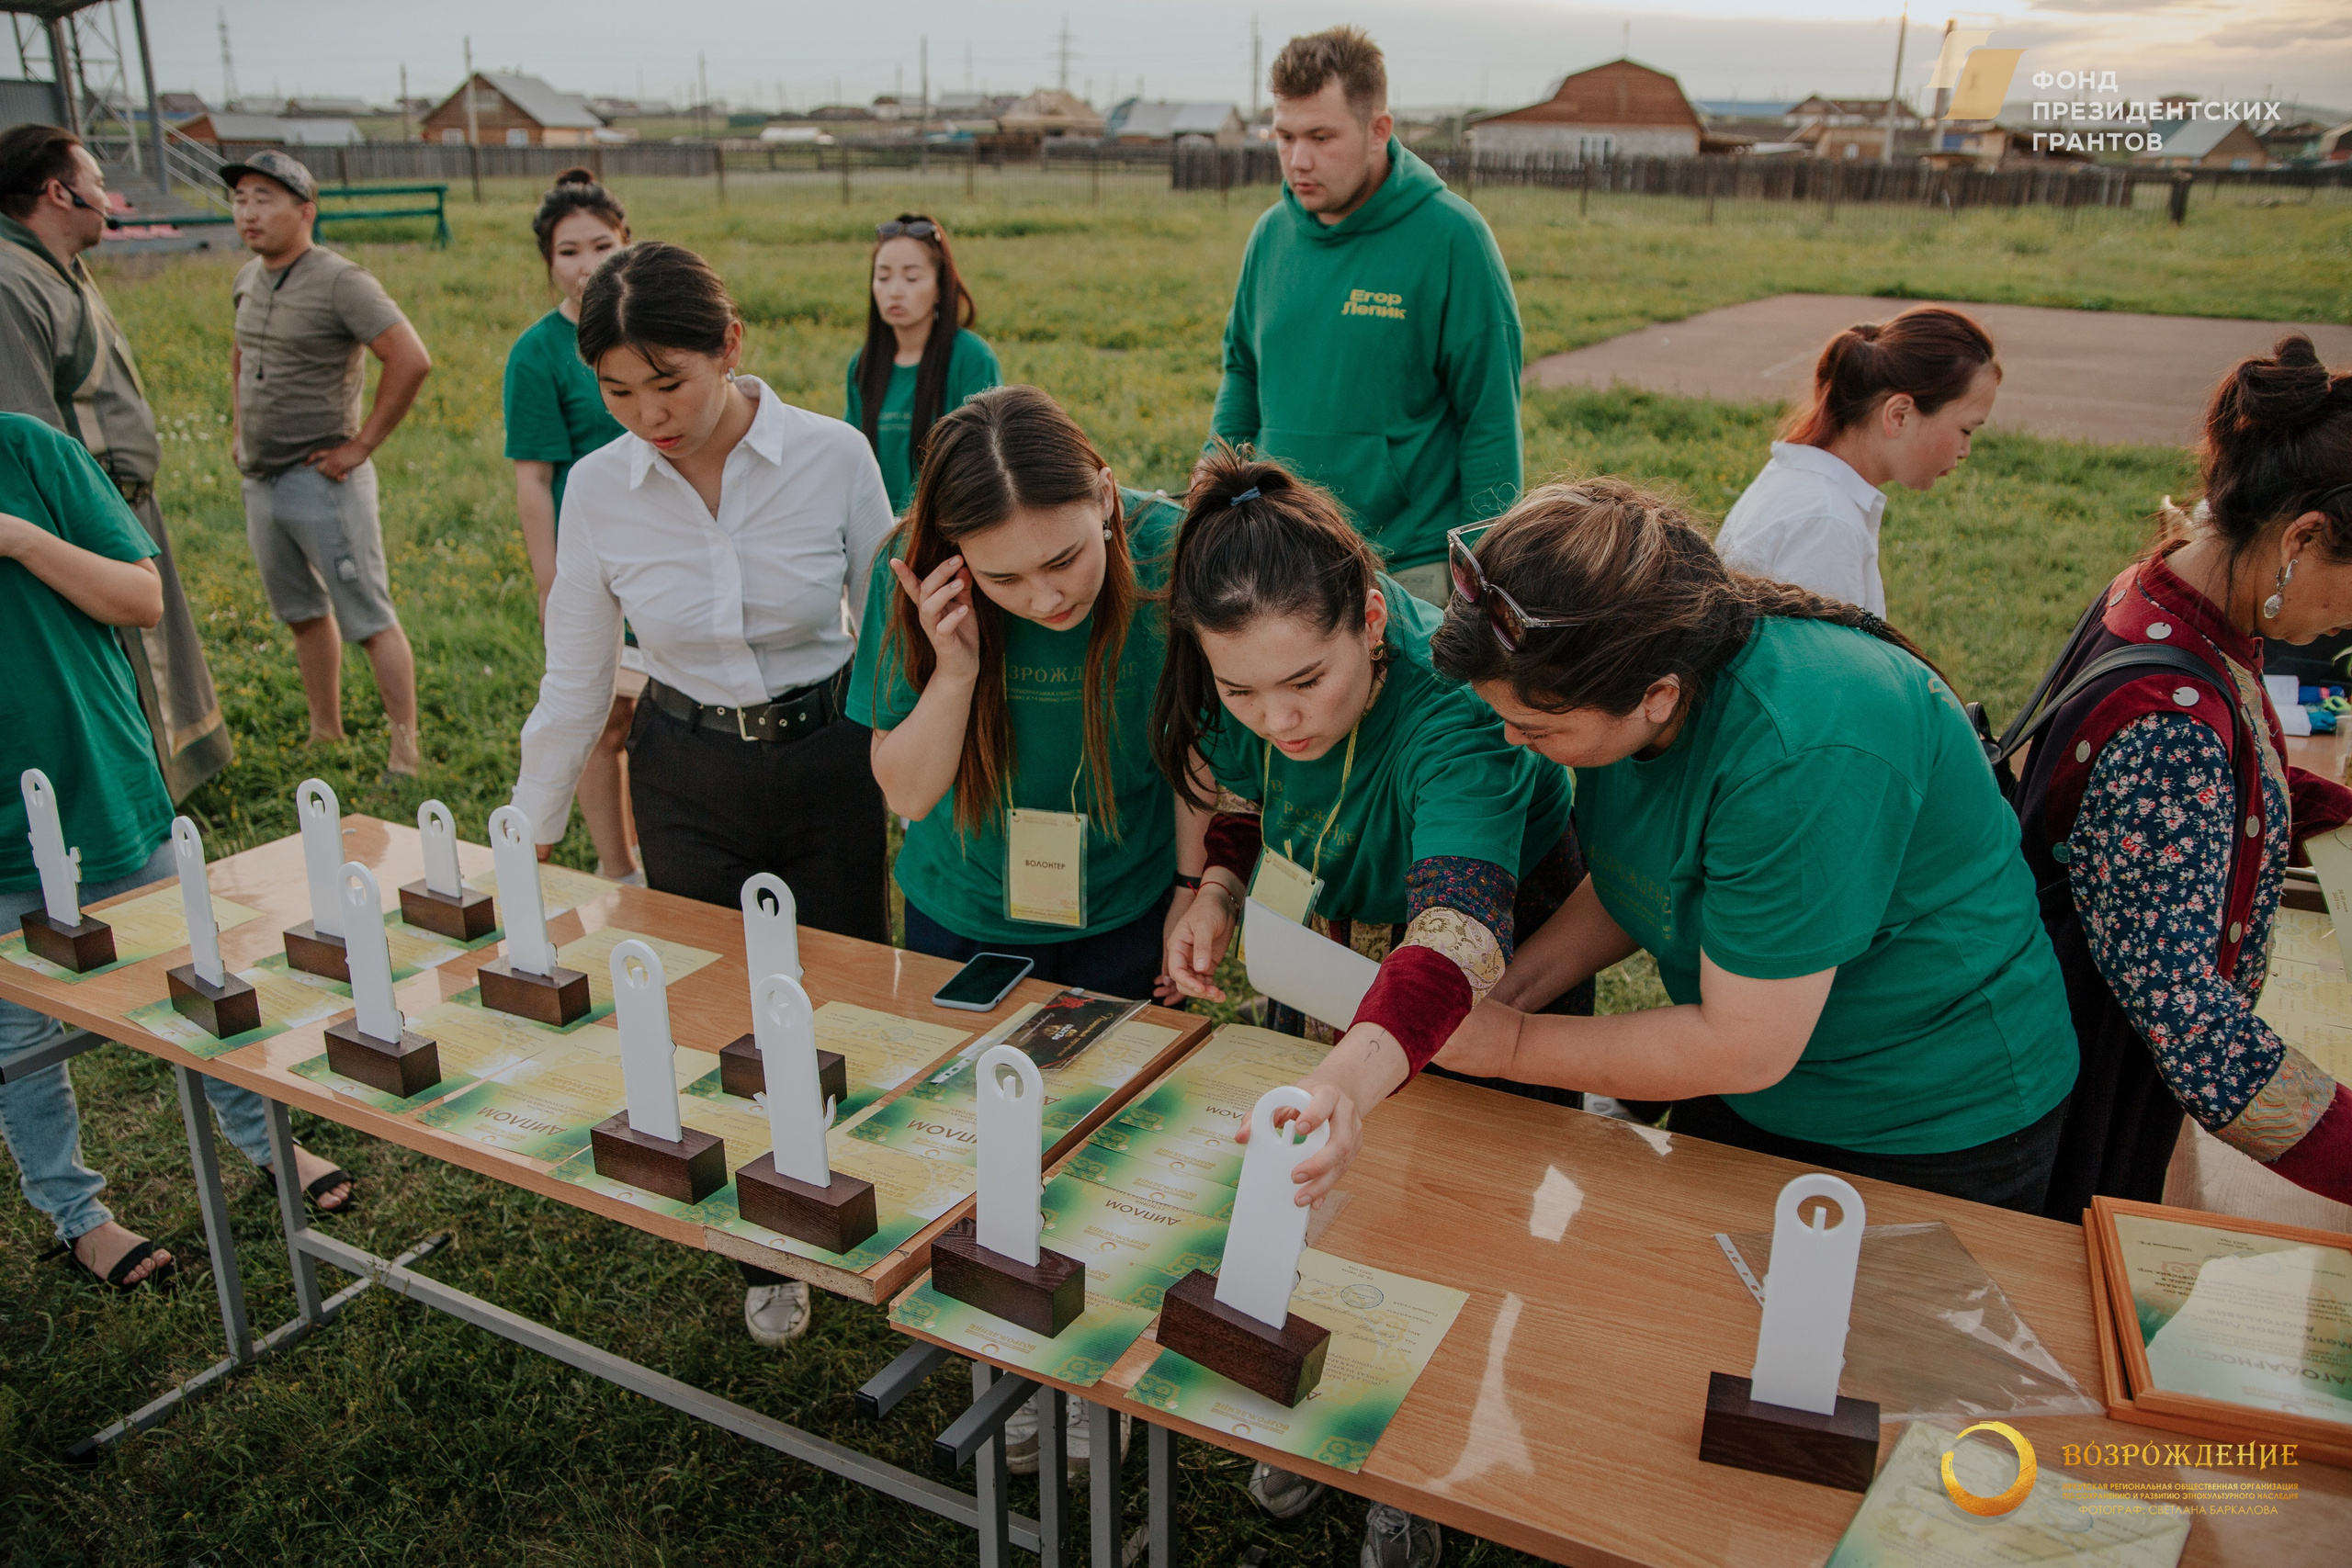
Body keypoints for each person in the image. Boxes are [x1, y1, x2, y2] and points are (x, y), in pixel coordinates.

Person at [1310, 479, 2079, 1218]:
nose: (1515, 743)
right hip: (1755, 1093)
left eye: (1537, 729)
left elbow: (1745, 1045)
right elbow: (1631, 877)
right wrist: (1503, 992)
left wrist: (1510, 1042)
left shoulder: (1800, 753)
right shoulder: (1638, 690)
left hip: (1929, 1122)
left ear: (1659, 695)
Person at [1153, 449, 1583, 1564]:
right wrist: (1219, 884)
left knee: (1465, 1215)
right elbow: (1258, 790)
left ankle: (1424, 1460)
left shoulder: (1457, 713)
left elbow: (1461, 928)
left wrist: (1349, 1073)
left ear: (1369, 620)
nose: (1278, 716)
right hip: (1334, 945)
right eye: (1241, 690)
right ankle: (1313, 1399)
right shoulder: (1261, 670)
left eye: (1306, 683)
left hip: (1484, 962)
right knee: (1326, 1195)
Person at [511, 241, 893, 1349]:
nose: (647, 413)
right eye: (617, 392)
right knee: (722, 1012)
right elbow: (577, 675)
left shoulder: (831, 456)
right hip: (682, 770)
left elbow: (888, 638)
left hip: (827, 759)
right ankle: (769, 1238)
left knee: (843, 998)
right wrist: (530, 832)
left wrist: (911, 776)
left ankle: (857, 1189)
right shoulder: (599, 488)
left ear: (731, 346)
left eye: (668, 380)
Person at [1, 412, 352, 1292]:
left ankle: (264, 1136)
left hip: (102, 785)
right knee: (18, 1043)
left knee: (201, 977)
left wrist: (17, 539)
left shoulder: (27, 449)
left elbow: (139, 597)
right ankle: (76, 1212)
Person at [2021, 335, 2352, 1216]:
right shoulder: (2170, 729)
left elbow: (2234, 774)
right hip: (2094, 1085)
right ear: (2303, 537)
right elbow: (2193, 1025)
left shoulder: (2165, 586)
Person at [851, 385, 1201, 1001]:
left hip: (1128, 902)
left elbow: (1195, 743)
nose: (1045, 599)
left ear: (1106, 496)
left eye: (1064, 560)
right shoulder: (911, 574)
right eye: (1003, 577)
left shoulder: (1171, 552)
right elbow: (907, 792)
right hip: (966, 909)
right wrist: (955, 673)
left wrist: (1190, 889)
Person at [1212, 26, 1523, 606]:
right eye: (1285, 136)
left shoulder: (1452, 238)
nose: (1298, 160)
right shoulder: (1270, 235)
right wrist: (1211, 485)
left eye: (1321, 137)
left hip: (1410, 568)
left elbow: (1489, 420)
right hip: (1282, 558)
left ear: (1380, 129)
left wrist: (1484, 571)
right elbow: (1243, 371)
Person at [0, 123, 231, 802]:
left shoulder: (54, 267)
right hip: (77, 519)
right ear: (58, 191)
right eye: (97, 182)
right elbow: (25, 433)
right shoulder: (12, 281)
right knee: (112, 668)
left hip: (119, 503)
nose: (108, 197)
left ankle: (172, 781)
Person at [228, 149, 433, 776]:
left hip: (324, 478)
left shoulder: (342, 280)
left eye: (264, 198)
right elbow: (239, 356)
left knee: (368, 616)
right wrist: (238, 428)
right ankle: (326, 731)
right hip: (261, 478)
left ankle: (406, 747)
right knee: (301, 614)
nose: (248, 212)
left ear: (304, 210)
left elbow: (410, 357)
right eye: (239, 199)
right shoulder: (246, 278)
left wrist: (361, 444)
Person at [503, 169, 638, 881]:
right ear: (548, 262)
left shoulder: (651, 334)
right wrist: (551, 580)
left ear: (627, 245)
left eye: (601, 245)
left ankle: (656, 853)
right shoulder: (537, 353)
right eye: (568, 251)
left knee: (667, 715)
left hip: (660, 549)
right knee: (603, 717)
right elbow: (533, 478)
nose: (587, 265)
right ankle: (619, 868)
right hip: (592, 560)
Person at [1713, 306, 2001, 615]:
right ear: (1899, 415)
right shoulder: (1825, 524)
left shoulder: (1803, 487)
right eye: (1965, 430)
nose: (1965, 450)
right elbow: (1821, 664)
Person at [842, 213, 1001, 514]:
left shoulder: (972, 358)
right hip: (876, 534)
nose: (895, 291)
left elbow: (986, 461)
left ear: (941, 287)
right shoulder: (862, 365)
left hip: (947, 530)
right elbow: (850, 459)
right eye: (883, 277)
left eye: (912, 277)